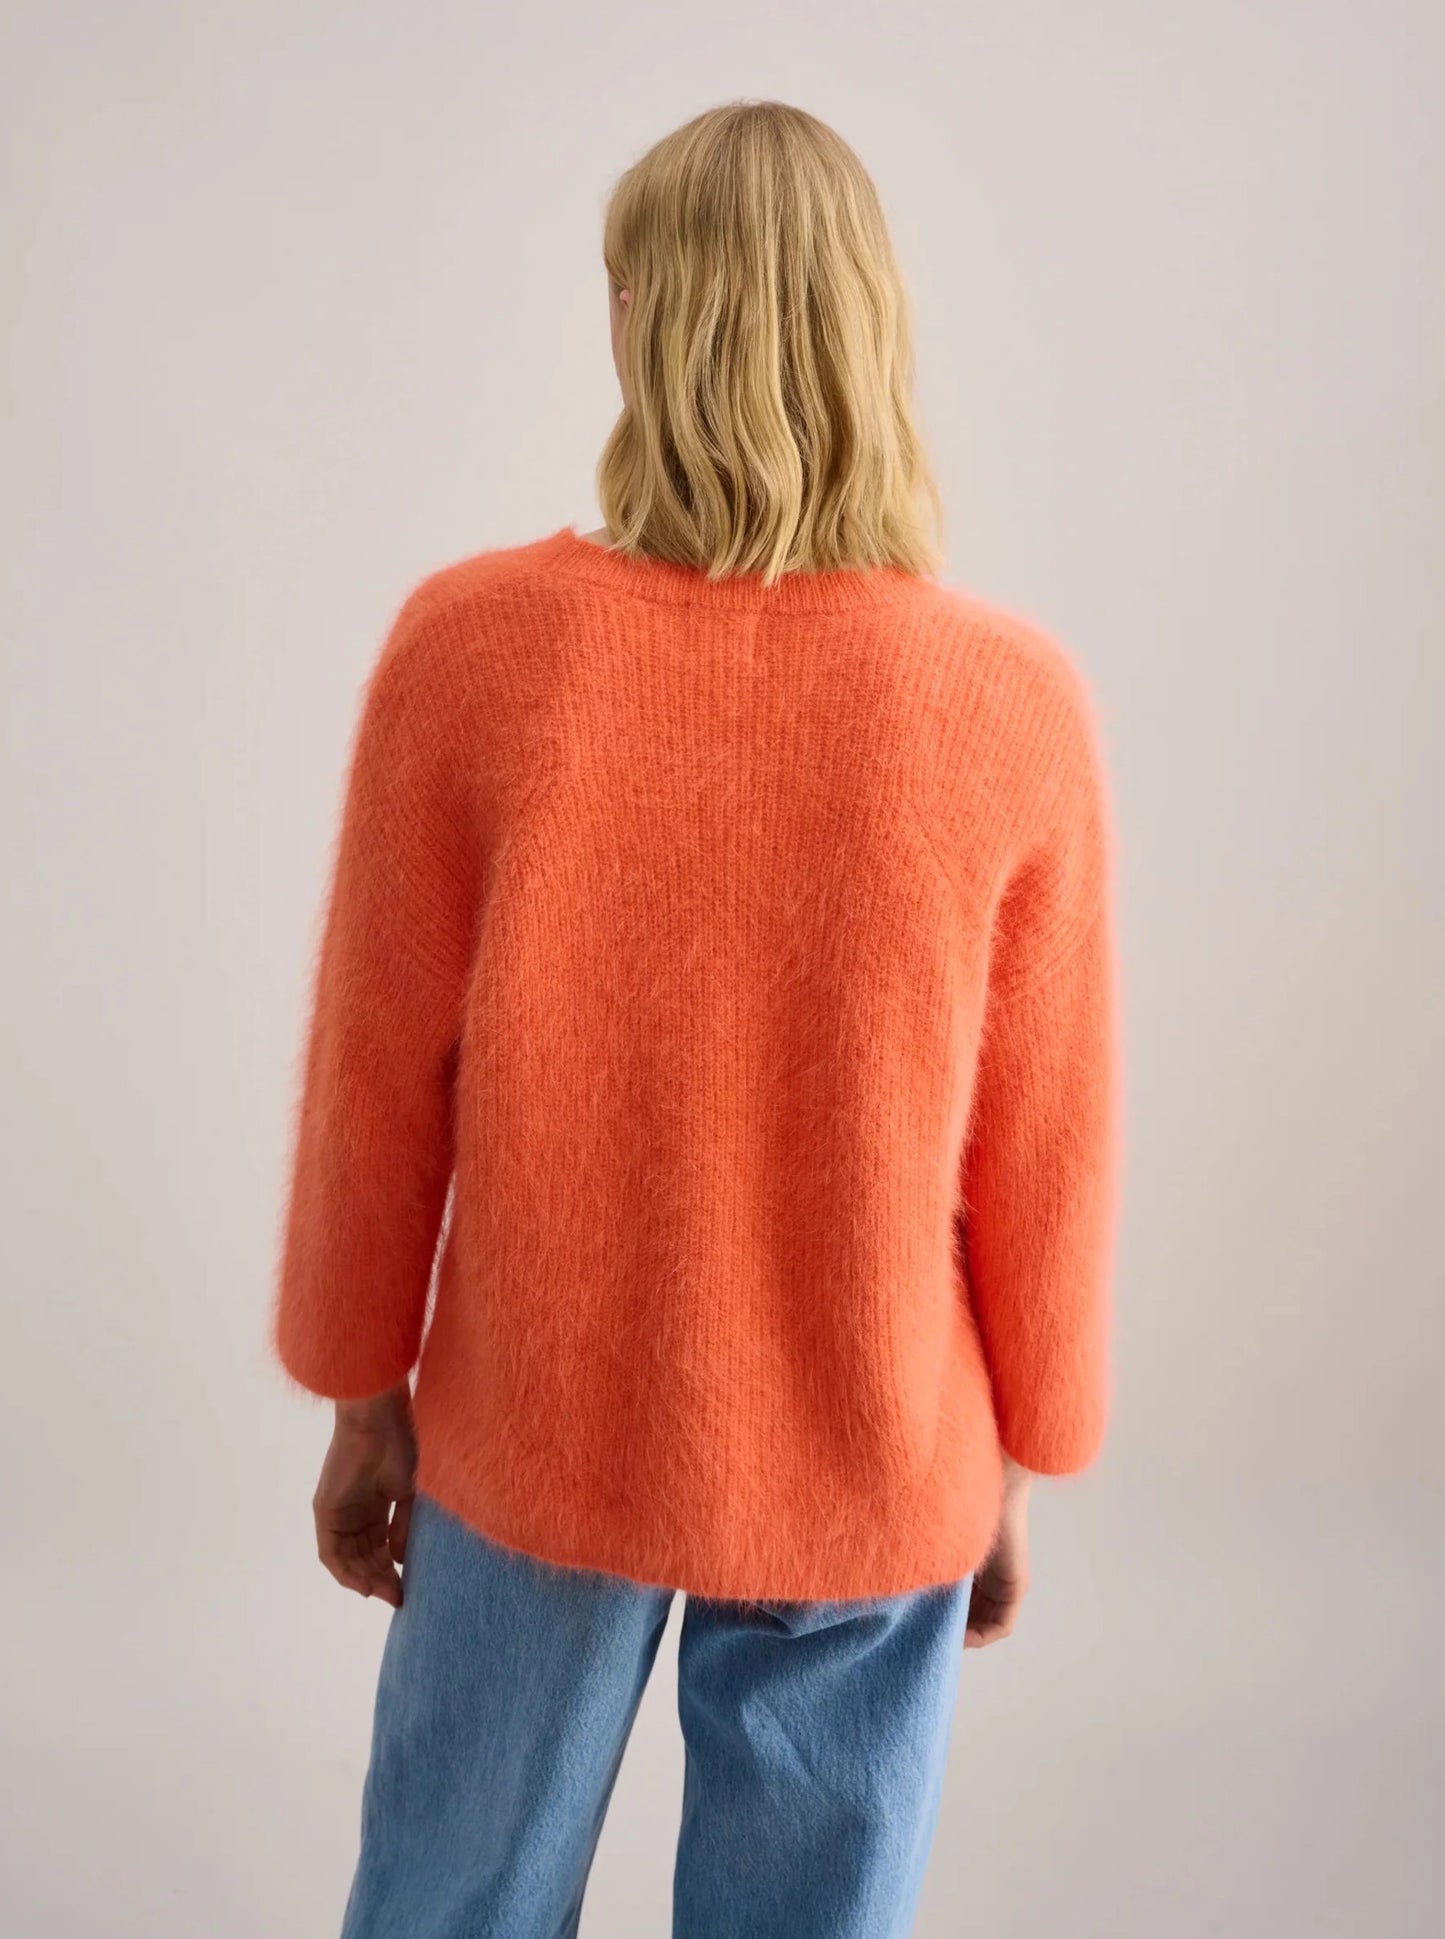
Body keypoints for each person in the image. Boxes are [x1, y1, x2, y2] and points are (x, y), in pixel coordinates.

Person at [272, 98, 1121, 1939]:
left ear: (637, 318)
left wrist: (362, 1395)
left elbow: (372, 1076)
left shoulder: (471, 650)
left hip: (534, 1432)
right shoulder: (1007, 702)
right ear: (871, 325)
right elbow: (1043, 1144)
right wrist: (1016, 1458)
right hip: (877, 1442)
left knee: (450, 1903)